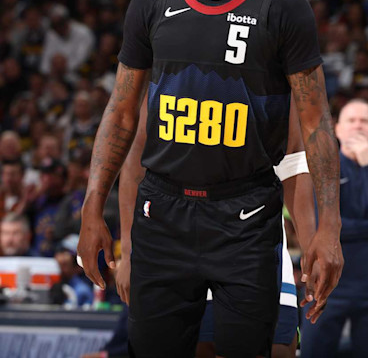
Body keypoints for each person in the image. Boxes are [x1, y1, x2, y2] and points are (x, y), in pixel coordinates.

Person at [77, 0, 343, 357]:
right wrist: (95, 206)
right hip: (163, 211)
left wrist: (329, 227)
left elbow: (316, 124)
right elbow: (120, 115)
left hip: (246, 214)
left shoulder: (285, 6)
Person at [116, 97, 317, 358]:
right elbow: (136, 156)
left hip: (252, 239)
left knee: (277, 349)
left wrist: (310, 246)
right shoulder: (168, 70)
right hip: (177, 238)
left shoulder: (270, 75)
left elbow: (294, 161)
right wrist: (128, 253)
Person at [301, 99, 368, 358]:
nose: (358, 126)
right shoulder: (323, 170)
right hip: (327, 284)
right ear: (337, 129)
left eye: (365, 121)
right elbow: (324, 228)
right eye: (351, 120)